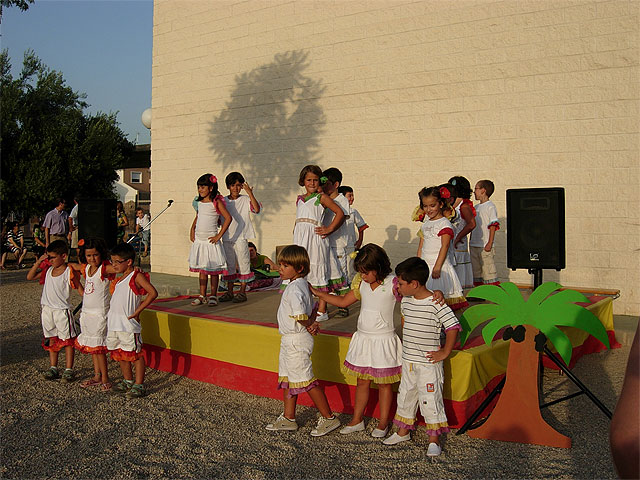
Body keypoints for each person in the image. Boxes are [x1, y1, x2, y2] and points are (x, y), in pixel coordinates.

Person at [310, 244, 402, 437]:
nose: (363, 276)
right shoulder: (361, 283)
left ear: (379, 266)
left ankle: (383, 423)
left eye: (366, 272)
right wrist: (320, 294)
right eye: (360, 272)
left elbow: (411, 301)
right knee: (362, 381)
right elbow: (343, 301)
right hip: (363, 338)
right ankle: (357, 419)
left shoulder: (393, 283)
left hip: (384, 340)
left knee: (385, 384)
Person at [386, 256, 460, 456]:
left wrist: (445, 352)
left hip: (428, 363)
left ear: (414, 284)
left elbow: (453, 326)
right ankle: (403, 432)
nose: (398, 287)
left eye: (401, 283)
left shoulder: (436, 303)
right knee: (406, 395)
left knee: (430, 398)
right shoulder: (406, 301)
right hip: (408, 360)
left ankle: (434, 439)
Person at [265, 245, 341, 436]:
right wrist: (312, 321)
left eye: (285, 266)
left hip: (296, 340)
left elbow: (299, 314)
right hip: (290, 339)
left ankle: (329, 418)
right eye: (281, 264)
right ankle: (288, 417)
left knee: (305, 378)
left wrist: (309, 324)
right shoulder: (300, 285)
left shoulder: (295, 288)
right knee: (289, 378)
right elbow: (312, 308)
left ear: (299, 268)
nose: (280, 269)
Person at [292, 165, 345, 322]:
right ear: (303, 181)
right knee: (301, 269)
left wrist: (329, 228)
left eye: (315, 180)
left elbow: (340, 213)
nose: (312, 183)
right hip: (300, 239)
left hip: (315, 238)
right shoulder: (300, 199)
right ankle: (306, 306)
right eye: (309, 180)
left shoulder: (321, 198)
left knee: (319, 270)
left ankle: (322, 309)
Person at [26, 240, 83, 382]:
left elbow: (79, 288)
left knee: (68, 340)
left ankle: (69, 369)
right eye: (49, 257)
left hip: (62, 310)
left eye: (52, 257)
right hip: (47, 309)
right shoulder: (48, 270)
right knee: (52, 338)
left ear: (63, 256)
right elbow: (30, 276)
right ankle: (53, 367)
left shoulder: (68, 271)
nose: (50, 260)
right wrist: (39, 262)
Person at [107, 242, 158, 398]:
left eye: (117, 262)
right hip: (114, 324)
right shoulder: (119, 279)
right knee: (121, 352)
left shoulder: (136, 276)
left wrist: (138, 311)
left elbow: (152, 293)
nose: (114, 265)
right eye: (112, 261)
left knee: (135, 354)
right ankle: (128, 380)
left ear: (128, 261)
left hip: (128, 324)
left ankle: (139, 383)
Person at [70, 238, 115, 391]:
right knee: (93, 348)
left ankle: (105, 378)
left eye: (95, 255)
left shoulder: (104, 269)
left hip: (99, 314)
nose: (92, 258)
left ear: (101, 254)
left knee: (99, 348)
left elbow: (118, 268)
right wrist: (78, 286)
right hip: (87, 313)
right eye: (88, 255)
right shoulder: (86, 268)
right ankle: (97, 376)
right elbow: (72, 267)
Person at [417, 186, 467, 311]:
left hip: (439, 267)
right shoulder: (425, 224)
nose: (428, 209)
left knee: (441, 302)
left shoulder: (444, 224)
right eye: (425, 206)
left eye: (432, 205)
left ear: (440, 204)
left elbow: (444, 246)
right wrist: (418, 264)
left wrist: (438, 266)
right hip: (426, 265)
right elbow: (421, 245)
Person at [188, 173, 232, 306]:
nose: (200, 190)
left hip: (211, 241)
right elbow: (198, 216)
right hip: (200, 240)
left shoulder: (216, 202)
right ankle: (202, 295)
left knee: (213, 270)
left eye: (203, 187)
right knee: (202, 270)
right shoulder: (199, 203)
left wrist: (219, 236)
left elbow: (228, 218)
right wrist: (192, 228)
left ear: (211, 188)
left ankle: (213, 295)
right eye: (198, 187)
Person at [219, 172, 261, 303]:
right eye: (233, 185)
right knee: (229, 265)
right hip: (227, 237)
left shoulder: (245, 199)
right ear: (228, 186)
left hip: (241, 236)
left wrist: (250, 193)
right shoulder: (223, 201)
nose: (236, 188)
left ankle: (242, 291)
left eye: (238, 185)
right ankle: (230, 291)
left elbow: (256, 209)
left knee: (244, 264)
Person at [469, 179, 500, 286]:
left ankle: (492, 291)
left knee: (488, 270)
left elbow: (493, 225)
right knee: (476, 271)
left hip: (485, 245)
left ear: (483, 190)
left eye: (476, 189)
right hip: (474, 244)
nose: (474, 192)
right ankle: (479, 291)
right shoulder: (476, 208)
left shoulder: (490, 206)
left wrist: (490, 243)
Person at [448, 176, 476, 289]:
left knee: (459, 275)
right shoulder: (450, 205)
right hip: (450, 244)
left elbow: (472, 224)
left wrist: (459, 237)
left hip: (458, 246)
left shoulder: (464, 206)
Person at [337, 185, 368, 283]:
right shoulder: (334, 211)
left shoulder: (353, 212)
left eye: (352, 195)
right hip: (337, 246)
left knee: (352, 270)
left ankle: (353, 288)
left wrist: (359, 241)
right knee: (339, 269)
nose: (352, 198)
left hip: (351, 246)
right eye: (349, 195)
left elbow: (361, 226)